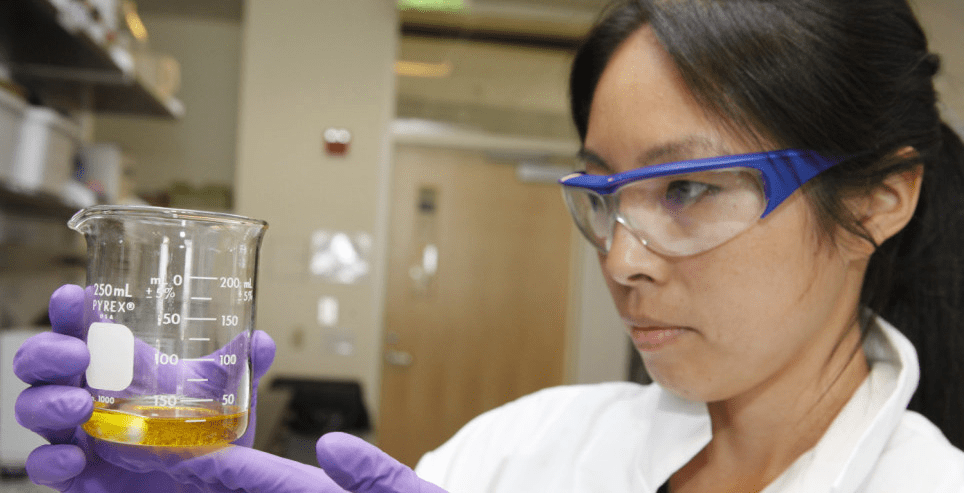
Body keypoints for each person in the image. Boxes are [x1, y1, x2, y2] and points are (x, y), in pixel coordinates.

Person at [13, 0, 964, 491]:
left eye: (687, 188)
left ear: (882, 197)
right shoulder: (525, 450)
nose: (623, 259)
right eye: (602, 192)